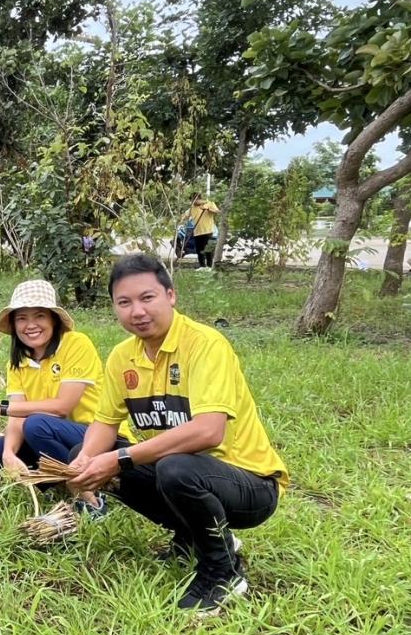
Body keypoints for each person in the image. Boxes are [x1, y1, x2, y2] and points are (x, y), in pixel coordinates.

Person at [67, 254, 288, 612]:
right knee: (92, 454)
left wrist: (119, 458)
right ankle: (191, 535)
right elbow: (105, 422)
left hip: (251, 485)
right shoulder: (123, 358)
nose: (137, 311)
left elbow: (209, 432)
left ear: (171, 295)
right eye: (124, 303)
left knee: (173, 468)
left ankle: (223, 572)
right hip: (188, 472)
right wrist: (85, 461)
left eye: (147, 298)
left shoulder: (205, 344)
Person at [0, 280, 106, 515]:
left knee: (36, 424)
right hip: (53, 436)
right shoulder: (18, 362)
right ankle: (60, 480)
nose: (30, 325)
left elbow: (63, 407)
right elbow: (18, 411)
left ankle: (88, 494)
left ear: (53, 319)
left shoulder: (76, 344)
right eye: (21, 318)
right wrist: (9, 453)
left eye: (39, 316)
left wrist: (0, 407)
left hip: (96, 437)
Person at [187, 193, 220, 267]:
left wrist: (208, 209)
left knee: (209, 251)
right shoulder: (192, 208)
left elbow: (217, 212)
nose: (193, 202)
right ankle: (202, 266)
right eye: (192, 200)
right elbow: (185, 216)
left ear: (199, 198)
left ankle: (209, 266)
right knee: (199, 251)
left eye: (194, 199)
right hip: (197, 233)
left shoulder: (209, 204)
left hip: (208, 231)